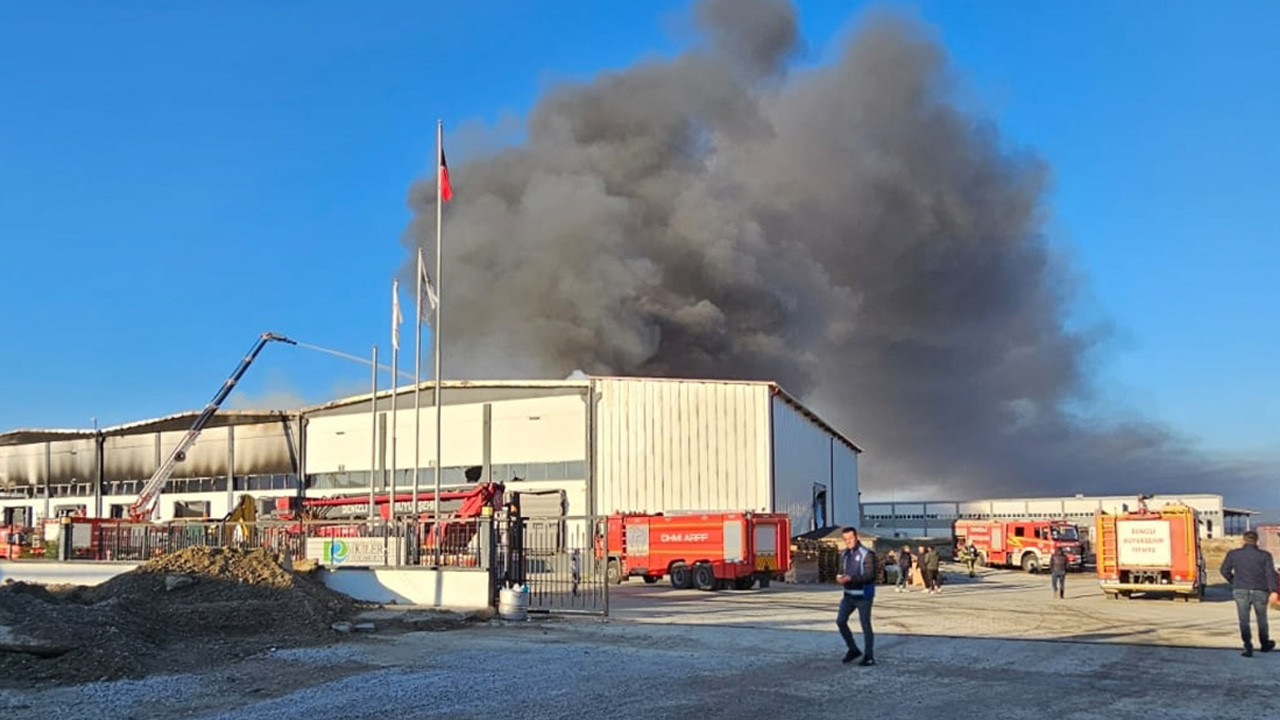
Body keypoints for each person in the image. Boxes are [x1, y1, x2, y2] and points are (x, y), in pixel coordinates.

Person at [1220, 530, 1280, 657]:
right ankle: (1264, 644)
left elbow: (1224, 570)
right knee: (1262, 619)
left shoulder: (1234, 554)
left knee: (1244, 620)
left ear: (1243, 540)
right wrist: (1274, 590)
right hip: (1260, 590)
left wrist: (1234, 581)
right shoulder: (1265, 555)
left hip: (1241, 589)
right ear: (1257, 541)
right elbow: (1270, 574)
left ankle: (1248, 646)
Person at [835, 527, 877, 666]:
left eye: (850, 538)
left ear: (857, 537)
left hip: (864, 596)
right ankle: (853, 649)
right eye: (845, 539)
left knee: (865, 625)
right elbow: (841, 571)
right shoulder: (845, 554)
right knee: (840, 621)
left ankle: (869, 656)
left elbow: (870, 576)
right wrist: (839, 578)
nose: (848, 542)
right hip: (848, 596)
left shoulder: (867, 554)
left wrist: (851, 579)